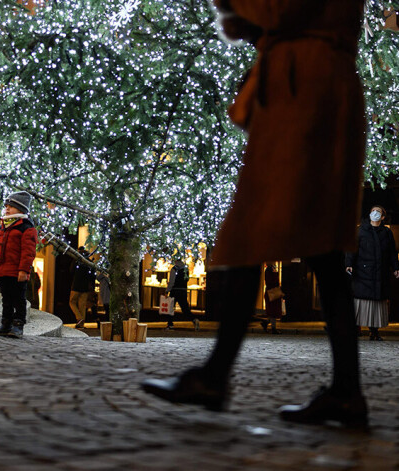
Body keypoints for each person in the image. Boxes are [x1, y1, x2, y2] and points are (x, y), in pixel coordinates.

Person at [143, 0, 369, 427]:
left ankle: (215, 377)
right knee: (320, 248)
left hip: (302, 87)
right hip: (315, 80)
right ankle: (345, 391)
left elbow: (280, 8)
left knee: (252, 231)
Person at [0, 191, 38, 339]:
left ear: (21, 209)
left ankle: (18, 325)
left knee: (18, 299)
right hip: (2, 271)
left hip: (17, 273)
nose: (7, 209)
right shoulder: (2, 227)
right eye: (6, 206)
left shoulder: (26, 227)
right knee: (6, 300)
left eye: (11, 207)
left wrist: (23, 270)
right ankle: (5, 324)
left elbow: (28, 252)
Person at [345, 206, 399, 341]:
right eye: (373, 211)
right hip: (363, 272)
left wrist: (396, 267)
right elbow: (352, 249)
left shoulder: (386, 232)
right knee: (361, 301)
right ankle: (355, 330)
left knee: (377, 302)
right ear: (369, 214)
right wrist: (349, 264)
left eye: (378, 212)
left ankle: (374, 331)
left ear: (382, 217)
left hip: (380, 273)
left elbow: (392, 252)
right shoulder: (361, 231)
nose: (375, 213)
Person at [164, 259, 200, 332]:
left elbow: (171, 281)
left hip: (175, 291)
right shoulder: (186, 269)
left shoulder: (174, 269)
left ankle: (170, 325)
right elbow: (187, 279)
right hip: (183, 290)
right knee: (185, 308)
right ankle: (194, 319)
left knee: (170, 308)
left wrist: (167, 290)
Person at [69, 246, 96, 329]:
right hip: (85, 287)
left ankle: (79, 318)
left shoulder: (77, 259)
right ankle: (81, 324)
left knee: (72, 302)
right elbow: (93, 274)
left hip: (76, 286)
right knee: (82, 306)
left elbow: (71, 270)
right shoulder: (88, 261)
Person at [261, 262, 283, 334]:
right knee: (273, 310)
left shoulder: (271, 269)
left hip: (272, 291)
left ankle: (266, 323)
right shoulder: (270, 269)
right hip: (272, 291)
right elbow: (272, 281)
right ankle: (273, 328)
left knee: (273, 311)